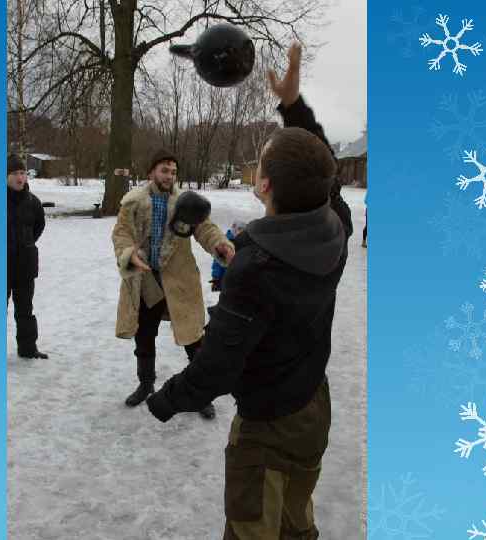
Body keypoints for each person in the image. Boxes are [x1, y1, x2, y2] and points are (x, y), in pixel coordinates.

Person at [146, 43, 353, 539]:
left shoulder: (256, 268)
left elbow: (217, 367)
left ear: (263, 187)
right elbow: (324, 174)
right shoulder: (336, 229)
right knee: (296, 523)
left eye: (260, 164)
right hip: (313, 404)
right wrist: (293, 107)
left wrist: (166, 400)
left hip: (268, 423)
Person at [111, 149, 235, 420]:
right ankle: (146, 384)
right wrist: (129, 254)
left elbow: (205, 228)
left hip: (179, 279)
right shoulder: (133, 202)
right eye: (164, 170)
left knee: (194, 339)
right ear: (151, 173)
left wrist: (220, 245)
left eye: (173, 172)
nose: (169, 176)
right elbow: (121, 234)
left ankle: (201, 393)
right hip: (146, 280)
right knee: (144, 336)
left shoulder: (185, 202)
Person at [7, 154, 48, 359]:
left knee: (25, 310)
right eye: (15, 173)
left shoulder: (33, 202)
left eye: (22, 173)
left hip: (25, 264)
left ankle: (28, 348)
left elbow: (39, 226)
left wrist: (26, 243)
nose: (19, 177)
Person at [210, 220, 247, 292]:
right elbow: (217, 262)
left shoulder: (244, 243)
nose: (240, 232)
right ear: (234, 228)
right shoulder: (224, 243)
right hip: (226, 279)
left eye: (243, 230)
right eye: (239, 229)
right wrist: (216, 277)